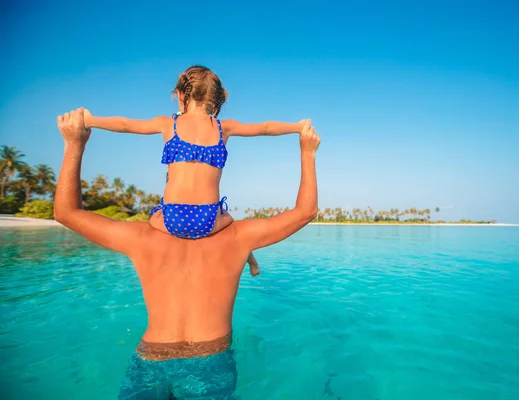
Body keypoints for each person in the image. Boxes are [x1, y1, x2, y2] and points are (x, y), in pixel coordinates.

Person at [54, 108, 320, 399]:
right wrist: (307, 152)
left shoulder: (141, 239)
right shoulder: (239, 238)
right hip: (211, 359)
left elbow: (66, 213)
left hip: (151, 358)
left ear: (169, 186)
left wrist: (74, 145)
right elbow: (305, 212)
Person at [83, 65, 307, 277]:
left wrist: (90, 120)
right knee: (233, 225)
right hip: (208, 220)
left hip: (171, 219)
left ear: (181, 96)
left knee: (154, 216)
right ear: (217, 101)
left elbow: (125, 124)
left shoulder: (167, 124)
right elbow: (265, 128)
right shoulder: (223, 128)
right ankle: (252, 262)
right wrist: (297, 127)